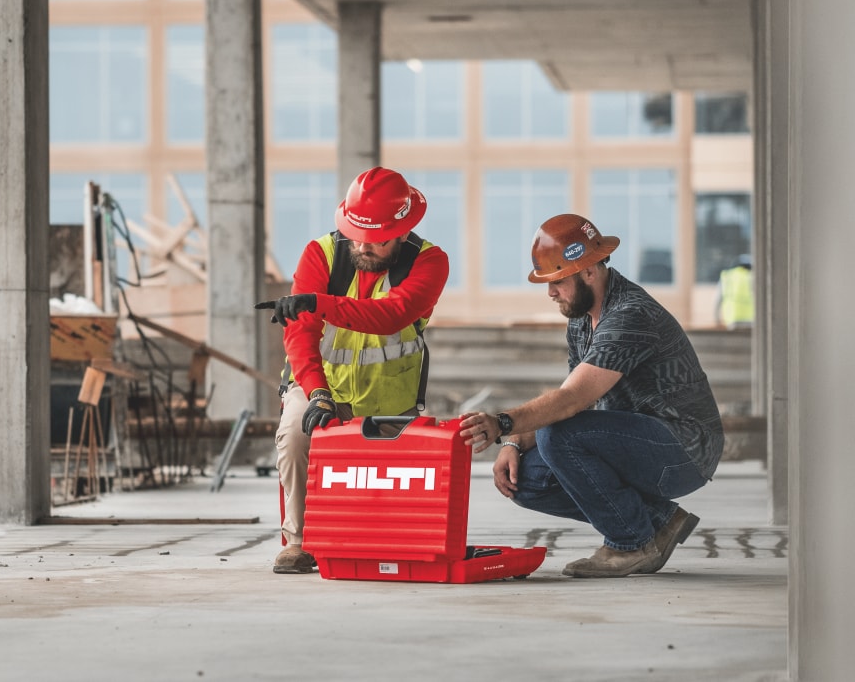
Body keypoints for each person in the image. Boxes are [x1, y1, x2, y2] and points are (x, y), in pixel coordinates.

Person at [457, 214, 723, 578]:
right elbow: (568, 399)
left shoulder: (630, 315)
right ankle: (660, 521)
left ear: (588, 272)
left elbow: (573, 399)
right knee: (526, 480)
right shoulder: (582, 319)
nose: (550, 293)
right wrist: (514, 443)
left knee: (559, 436)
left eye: (557, 281)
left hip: (684, 450)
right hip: (638, 441)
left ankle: (631, 544)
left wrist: (503, 423)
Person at [255, 167, 449, 574]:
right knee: (295, 435)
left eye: (375, 240)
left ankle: (372, 539)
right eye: (355, 234)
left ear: (402, 232)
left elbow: (391, 315)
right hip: (319, 384)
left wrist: (318, 303)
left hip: (389, 399)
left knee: (386, 493)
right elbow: (300, 335)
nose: (361, 246)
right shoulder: (321, 253)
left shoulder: (430, 262)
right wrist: (317, 393)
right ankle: (299, 542)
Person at [716, 254, 754, 329]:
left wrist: (717, 321)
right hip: (752, 320)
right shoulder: (753, 277)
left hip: (732, 320)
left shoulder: (727, 277)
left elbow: (718, 301)